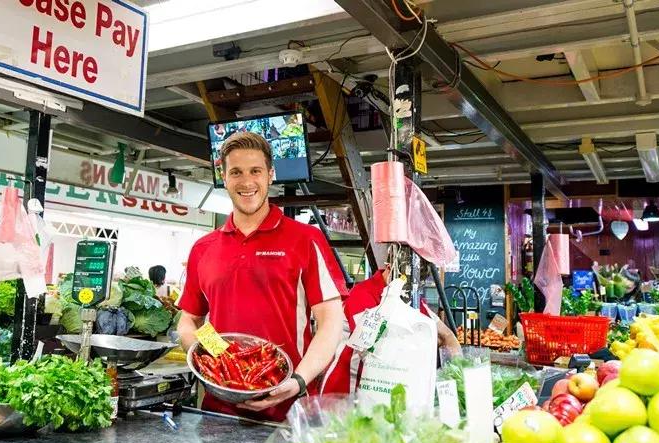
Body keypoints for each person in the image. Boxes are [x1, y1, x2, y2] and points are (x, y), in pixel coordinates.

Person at [177, 131, 347, 422]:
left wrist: (299, 380)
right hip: (219, 413)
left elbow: (331, 322)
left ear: (270, 175)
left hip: (288, 411)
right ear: (224, 177)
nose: (246, 182)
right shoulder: (203, 249)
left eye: (255, 171)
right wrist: (219, 354)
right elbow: (190, 319)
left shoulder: (306, 240)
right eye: (236, 172)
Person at [321, 266, 463, 394]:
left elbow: (447, 336)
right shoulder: (361, 295)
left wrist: (457, 378)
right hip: (345, 393)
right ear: (390, 266)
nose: (406, 287)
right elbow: (373, 354)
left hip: (387, 392)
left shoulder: (408, 298)